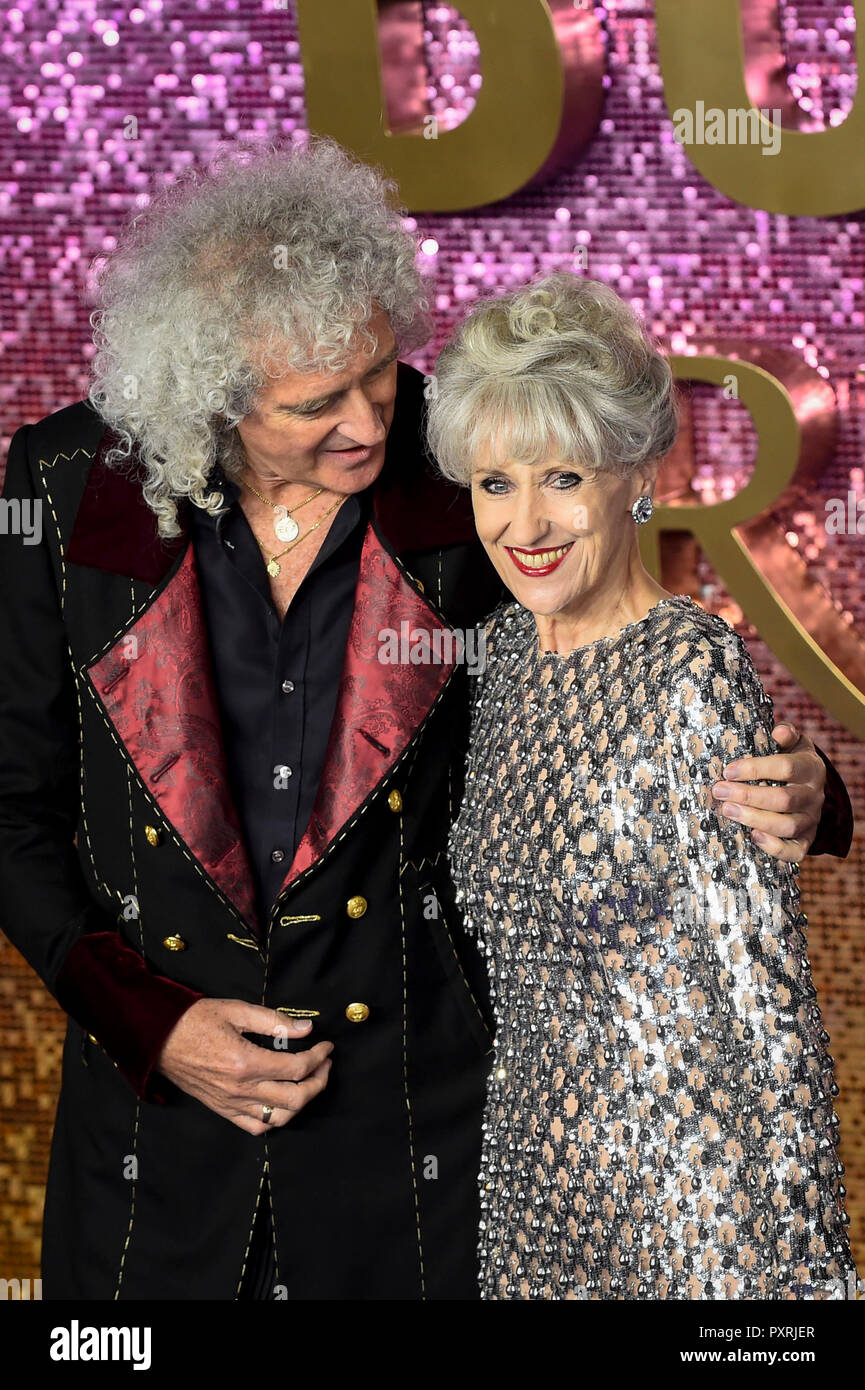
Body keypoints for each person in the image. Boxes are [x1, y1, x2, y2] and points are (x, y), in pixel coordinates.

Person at [0, 140, 853, 1300]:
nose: (364, 423)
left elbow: (618, 666)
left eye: (377, 373)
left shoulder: (464, 468)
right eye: (312, 404)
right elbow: (13, 806)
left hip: (415, 1138)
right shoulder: (63, 485)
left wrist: (805, 791)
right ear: (209, 390)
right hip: (156, 1151)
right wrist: (149, 1020)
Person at [428, 272, 859, 1300]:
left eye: (562, 478)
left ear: (633, 474)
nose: (524, 523)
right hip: (529, 1188)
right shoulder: (491, 661)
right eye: (495, 483)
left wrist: (805, 1285)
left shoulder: (688, 671)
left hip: (692, 1206)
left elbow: (767, 1008)